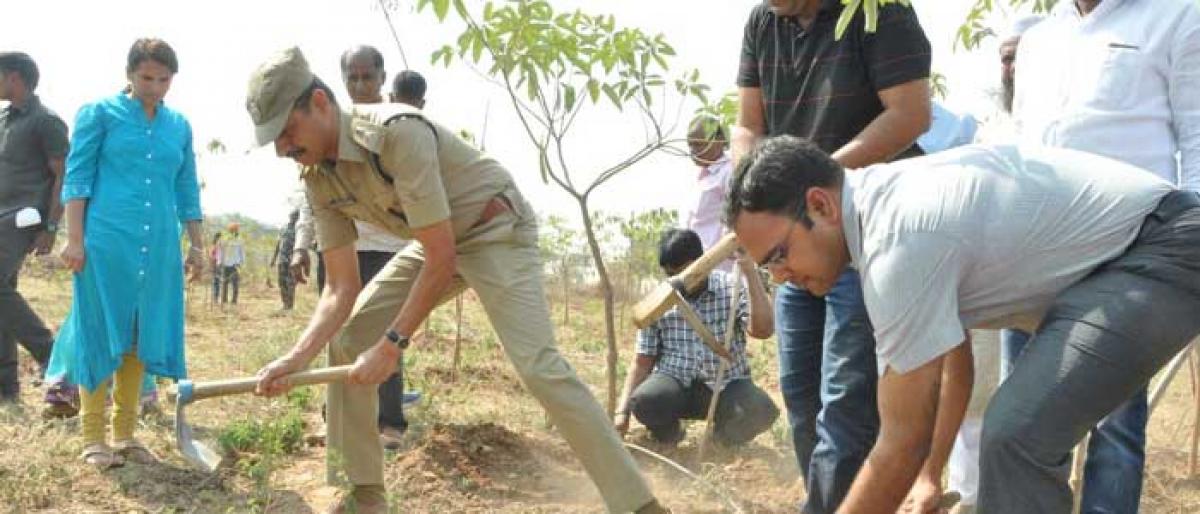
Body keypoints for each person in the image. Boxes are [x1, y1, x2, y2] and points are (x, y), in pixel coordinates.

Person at [245, 47, 666, 514]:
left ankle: (639, 504)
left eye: (287, 131)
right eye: (274, 140)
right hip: (436, 242)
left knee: (539, 367)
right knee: (347, 339)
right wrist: (295, 357)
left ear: (320, 103)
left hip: (494, 231)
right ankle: (365, 495)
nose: (282, 148)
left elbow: (442, 258)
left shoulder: (396, 134)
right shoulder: (317, 177)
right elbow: (340, 287)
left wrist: (391, 345)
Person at [728, 136, 1200, 513]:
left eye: (779, 255)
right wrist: (931, 476)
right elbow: (955, 366)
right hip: (1133, 254)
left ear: (821, 206)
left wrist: (915, 466)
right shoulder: (882, 211)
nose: (779, 276)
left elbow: (899, 446)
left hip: (1161, 245)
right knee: (1015, 432)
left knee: (1015, 436)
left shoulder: (895, 241)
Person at [734, 1, 931, 511]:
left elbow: (910, 114)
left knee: (846, 401)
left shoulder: (878, 10)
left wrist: (810, 180)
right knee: (801, 394)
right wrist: (749, 195)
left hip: (863, 233)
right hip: (793, 233)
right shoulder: (762, 22)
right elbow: (747, 124)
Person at [1010, 1, 1200, 511]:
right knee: (1022, 421)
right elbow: (1023, 139)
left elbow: (1197, 137)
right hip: (1033, 251)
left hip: (1129, 250)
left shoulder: (1179, 16)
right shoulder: (1039, 36)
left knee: (1115, 428)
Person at [48, 38, 204, 469]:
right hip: (106, 241)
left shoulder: (179, 126)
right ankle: (93, 436)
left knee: (141, 334)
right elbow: (77, 180)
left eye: (163, 79)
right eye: (145, 77)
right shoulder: (99, 114)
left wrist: (197, 244)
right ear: (129, 74)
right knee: (100, 330)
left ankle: (126, 433)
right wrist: (74, 238)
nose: (154, 87)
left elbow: (186, 186)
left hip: (158, 248)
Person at [614, 229, 778, 448]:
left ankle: (721, 441)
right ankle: (670, 436)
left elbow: (763, 331)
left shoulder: (731, 287)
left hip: (726, 386)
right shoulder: (658, 300)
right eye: (670, 274)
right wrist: (622, 412)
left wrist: (750, 272)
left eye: (684, 272)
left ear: (701, 263)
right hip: (676, 384)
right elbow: (642, 361)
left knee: (761, 411)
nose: (678, 281)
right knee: (645, 402)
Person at [0, 51, 78, 415]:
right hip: (1, 216)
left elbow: (63, 175)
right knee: (4, 297)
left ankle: (52, 356)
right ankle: (7, 387)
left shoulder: (46, 121)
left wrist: (50, 226)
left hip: (24, 219)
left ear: (14, 77)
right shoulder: (5, 119)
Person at [684, 117, 734, 255]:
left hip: (720, 264)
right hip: (698, 261)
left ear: (718, 142)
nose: (693, 151)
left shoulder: (729, 172)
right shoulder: (702, 175)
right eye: (690, 145)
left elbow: (735, 221)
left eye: (698, 144)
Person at [270, 209, 299, 310]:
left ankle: (290, 305)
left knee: (291, 283)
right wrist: (274, 259)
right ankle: (285, 304)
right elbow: (278, 244)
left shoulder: (299, 229)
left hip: (293, 260)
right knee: (281, 282)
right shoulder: (283, 228)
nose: (292, 218)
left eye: (295, 216)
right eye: (291, 216)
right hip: (282, 260)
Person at [218, 222, 245, 305]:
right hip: (225, 264)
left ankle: (234, 301)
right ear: (230, 230)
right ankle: (224, 300)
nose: (235, 231)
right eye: (233, 229)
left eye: (236, 229)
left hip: (235, 265)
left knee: (235, 284)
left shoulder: (240, 240)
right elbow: (220, 251)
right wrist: (219, 262)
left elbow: (242, 252)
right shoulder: (223, 240)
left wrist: (241, 262)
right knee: (224, 283)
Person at [209, 232, 222, 307]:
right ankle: (215, 299)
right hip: (216, 265)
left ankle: (216, 298)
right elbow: (211, 255)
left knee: (217, 282)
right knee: (216, 282)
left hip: (218, 265)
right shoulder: (214, 245)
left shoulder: (219, 245)